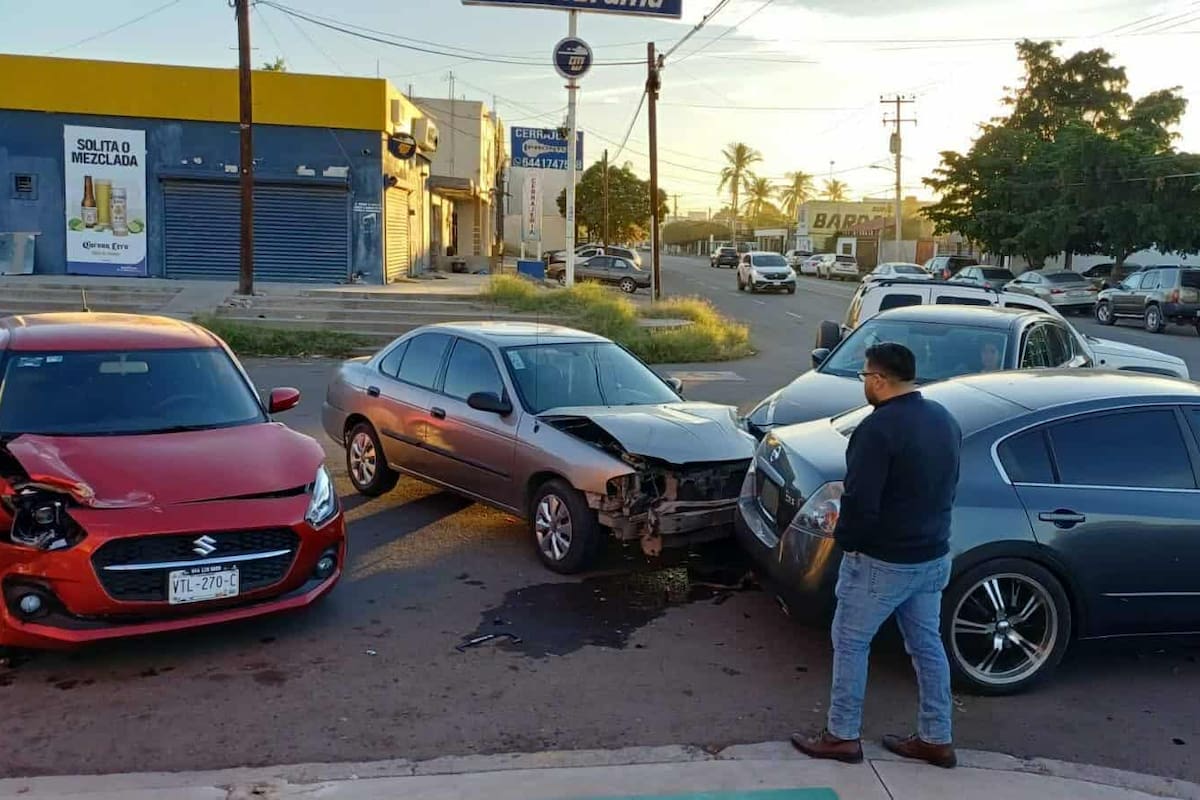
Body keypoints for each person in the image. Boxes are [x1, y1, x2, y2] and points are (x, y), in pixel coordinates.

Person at [792, 342, 963, 769]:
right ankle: (937, 738)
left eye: (865, 376)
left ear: (880, 379)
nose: (864, 383)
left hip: (882, 561)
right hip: (932, 555)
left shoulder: (877, 429)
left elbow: (861, 501)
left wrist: (847, 541)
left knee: (851, 643)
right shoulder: (943, 419)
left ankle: (842, 735)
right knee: (927, 646)